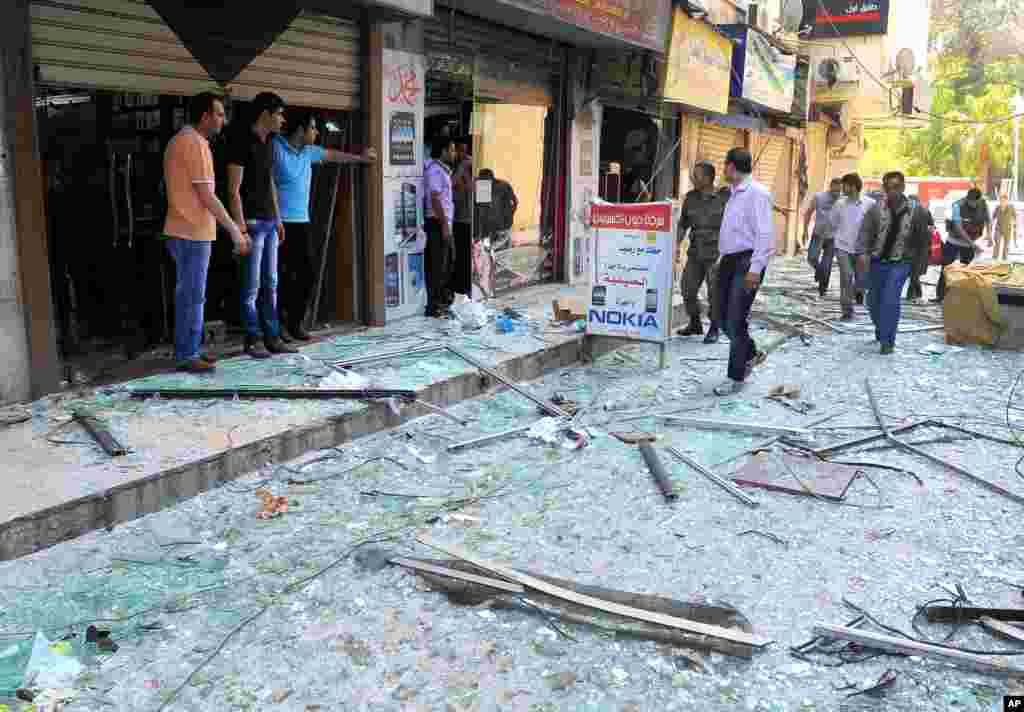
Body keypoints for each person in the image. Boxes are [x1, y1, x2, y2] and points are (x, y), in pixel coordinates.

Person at [162, 92, 249, 373]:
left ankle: (190, 349)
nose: (224, 120)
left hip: (183, 229)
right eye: (220, 114)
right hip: (192, 231)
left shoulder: (178, 141)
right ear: (205, 116)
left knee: (189, 293)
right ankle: (188, 354)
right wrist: (235, 231)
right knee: (192, 295)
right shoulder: (196, 144)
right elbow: (207, 196)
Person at [272, 111, 374, 341]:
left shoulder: (308, 153)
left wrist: (361, 158)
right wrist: (275, 218)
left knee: (307, 276)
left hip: (302, 222)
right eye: (313, 128)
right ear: (300, 130)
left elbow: (333, 155)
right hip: (279, 224)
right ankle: (278, 327)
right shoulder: (276, 148)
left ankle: (295, 323)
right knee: (280, 278)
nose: (317, 132)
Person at [226, 91, 295, 358]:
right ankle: (252, 338)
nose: (283, 120)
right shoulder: (240, 141)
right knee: (252, 286)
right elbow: (233, 190)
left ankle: (272, 336)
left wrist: (278, 218)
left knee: (271, 282)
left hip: (269, 222)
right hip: (252, 223)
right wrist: (240, 229)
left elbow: (270, 182)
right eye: (279, 114)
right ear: (265, 114)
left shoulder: (271, 142)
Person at [714, 148, 775, 396]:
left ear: (731, 166)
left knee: (736, 318)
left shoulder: (757, 194)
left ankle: (736, 377)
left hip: (747, 262)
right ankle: (750, 352)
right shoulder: (733, 194)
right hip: (729, 260)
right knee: (719, 316)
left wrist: (756, 268)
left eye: (724, 165)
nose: (723, 170)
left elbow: (765, 234)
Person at [858, 171, 932, 354]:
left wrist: (917, 274)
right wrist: (862, 255)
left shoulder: (918, 212)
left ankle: (888, 342)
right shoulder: (875, 210)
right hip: (877, 263)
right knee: (873, 301)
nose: (893, 192)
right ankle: (881, 328)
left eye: (896, 187)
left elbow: (923, 243)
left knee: (891, 300)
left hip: (901, 263)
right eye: (889, 188)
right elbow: (865, 234)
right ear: (884, 188)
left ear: (903, 188)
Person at [676, 161, 727, 344]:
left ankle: (714, 328)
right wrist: (675, 243)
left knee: (714, 293)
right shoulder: (690, 198)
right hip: (696, 253)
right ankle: (695, 323)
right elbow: (683, 224)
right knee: (687, 289)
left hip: (717, 254)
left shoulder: (724, 198)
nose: (693, 178)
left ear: (708, 178)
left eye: (697, 175)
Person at [828, 173, 874, 321]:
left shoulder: (870, 204)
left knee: (861, 279)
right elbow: (832, 222)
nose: (842, 188)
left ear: (853, 186)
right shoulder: (840, 204)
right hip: (842, 247)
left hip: (862, 249)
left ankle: (859, 291)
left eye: (845, 185)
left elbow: (875, 226)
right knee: (846, 276)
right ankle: (847, 310)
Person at [934, 187, 990, 303]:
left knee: (967, 272)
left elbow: (987, 219)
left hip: (969, 245)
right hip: (954, 242)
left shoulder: (983, 204)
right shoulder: (957, 206)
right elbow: (959, 228)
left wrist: (989, 235)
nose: (973, 205)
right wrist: (972, 244)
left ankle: (963, 298)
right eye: (971, 202)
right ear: (967, 198)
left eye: (975, 202)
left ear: (979, 200)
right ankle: (940, 296)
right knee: (946, 269)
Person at [424, 136, 456, 317]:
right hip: (437, 223)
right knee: (437, 265)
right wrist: (444, 224)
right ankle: (434, 306)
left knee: (447, 263)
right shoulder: (435, 171)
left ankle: (442, 302)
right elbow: (435, 198)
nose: (454, 153)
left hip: (444, 222)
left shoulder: (444, 170)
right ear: (443, 151)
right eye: (451, 150)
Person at [804, 179, 842, 296]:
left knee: (827, 264)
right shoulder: (819, 197)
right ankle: (819, 271)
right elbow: (809, 212)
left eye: (839, 191)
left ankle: (823, 288)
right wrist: (805, 230)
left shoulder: (843, 200)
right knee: (812, 258)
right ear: (830, 187)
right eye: (834, 190)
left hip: (833, 237)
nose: (836, 193)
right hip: (818, 234)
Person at [449, 141, 474, 298]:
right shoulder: (453, 170)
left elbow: (473, 188)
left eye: (466, 151)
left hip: (470, 219)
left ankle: (466, 286)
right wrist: (462, 168)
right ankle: (458, 286)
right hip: (458, 219)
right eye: (460, 151)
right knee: (458, 256)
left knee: (467, 256)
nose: (464, 155)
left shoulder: (470, 169)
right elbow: (450, 185)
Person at [905, 196, 934, 302]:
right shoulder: (925, 211)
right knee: (915, 272)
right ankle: (915, 293)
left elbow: (930, 228)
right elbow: (931, 228)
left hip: (915, 246)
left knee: (914, 272)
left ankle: (912, 294)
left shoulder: (916, 212)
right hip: (921, 246)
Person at [994, 192, 1018, 261]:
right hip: (998, 228)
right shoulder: (997, 207)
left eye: (1004, 201)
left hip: (1008, 228)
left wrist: (1015, 227)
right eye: (1001, 201)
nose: (1002, 202)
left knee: (1006, 245)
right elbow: (993, 217)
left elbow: (1015, 217)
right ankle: (994, 258)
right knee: (997, 242)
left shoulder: (1011, 207)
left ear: (1007, 201)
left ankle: (1004, 258)